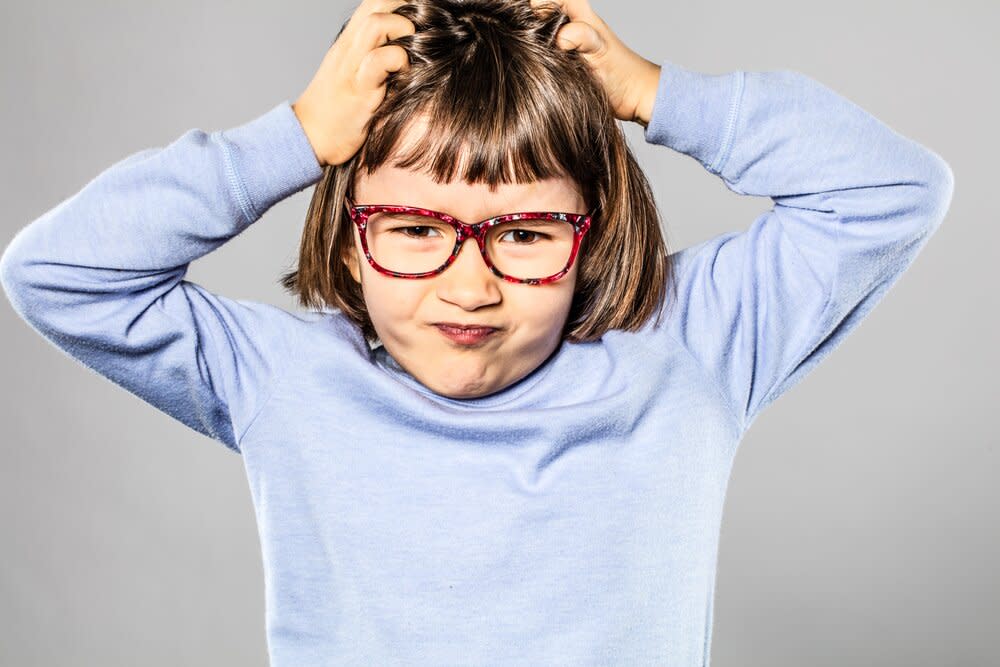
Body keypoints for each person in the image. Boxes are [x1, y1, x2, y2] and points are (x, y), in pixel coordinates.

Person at [0, 0, 953, 664]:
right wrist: (294, 134)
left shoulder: (689, 349)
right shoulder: (282, 379)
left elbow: (893, 189)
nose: (471, 285)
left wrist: (652, 91)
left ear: (593, 230)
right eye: (416, 229)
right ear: (350, 226)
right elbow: (56, 271)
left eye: (526, 234)